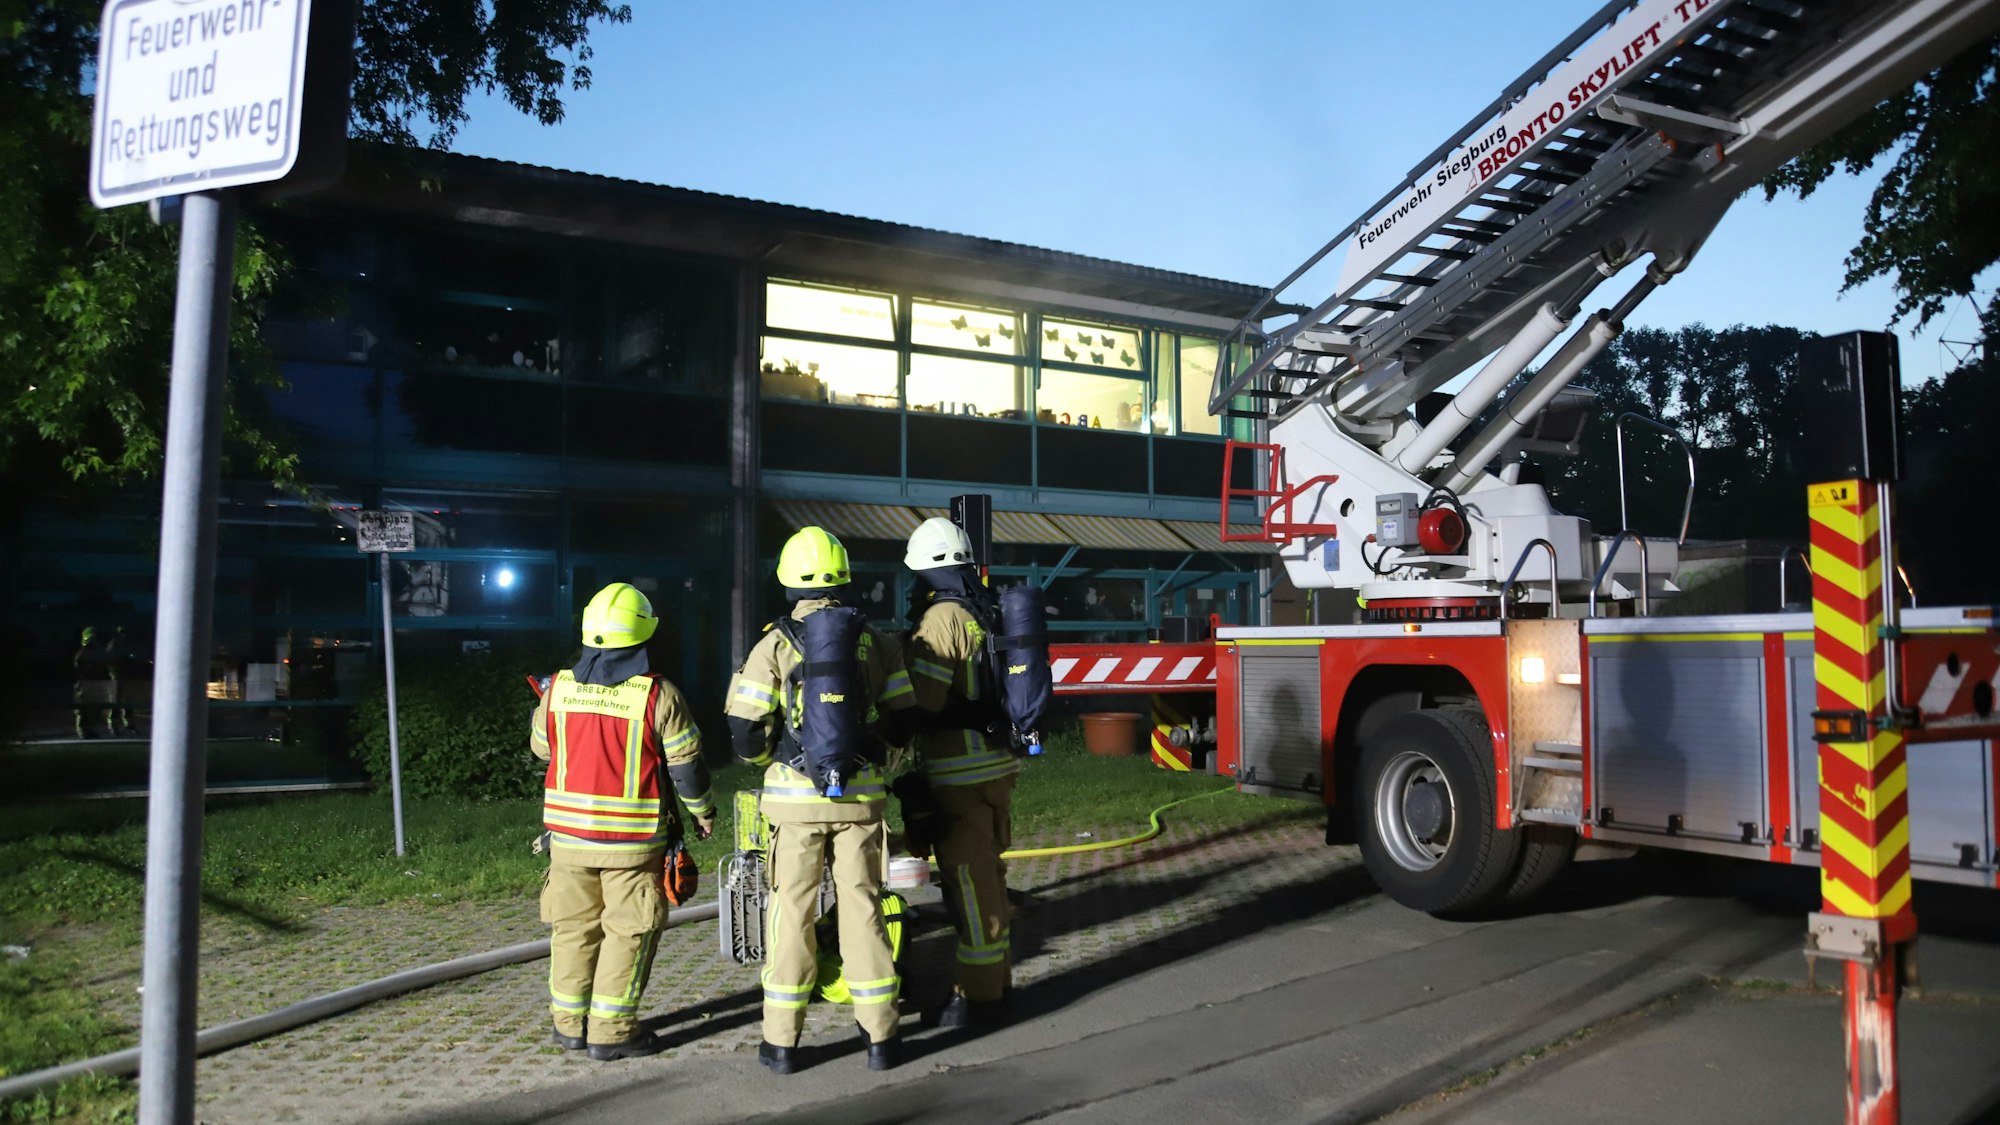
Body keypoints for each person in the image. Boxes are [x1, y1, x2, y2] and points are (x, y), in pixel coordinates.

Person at [726, 526, 916, 1075]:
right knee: (862, 908)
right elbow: (904, 718)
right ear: (844, 577)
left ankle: (782, 1044)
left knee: (792, 913)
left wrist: (776, 762)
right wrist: (871, 755)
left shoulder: (775, 643)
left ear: (787, 579)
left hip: (794, 805)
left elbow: (743, 732)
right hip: (860, 801)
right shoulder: (874, 640)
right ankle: (881, 1037)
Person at [528, 582, 714, 1061]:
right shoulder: (658, 695)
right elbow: (686, 766)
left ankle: (568, 1025)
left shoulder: (558, 689)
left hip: (567, 840)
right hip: (631, 846)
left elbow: (542, 749)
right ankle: (611, 1034)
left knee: (572, 930)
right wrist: (703, 814)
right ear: (643, 636)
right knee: (628, 932)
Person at [899, 517, 1019, 1028]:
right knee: (988, 873)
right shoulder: (985, 609)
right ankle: (997, 982)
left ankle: (979, 997)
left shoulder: (942, 618)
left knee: (969, 884)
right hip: (997, 765)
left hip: (958, 772)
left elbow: (923, 700)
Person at [72, 627, 114, 739]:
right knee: (83, 708)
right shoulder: (83, 653)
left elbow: (103, 667)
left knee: (95, 708)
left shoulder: (96, 652)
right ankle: (82, 730)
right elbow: (78, 667)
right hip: (86, 683)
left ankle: (89, 729)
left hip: (96, 683)